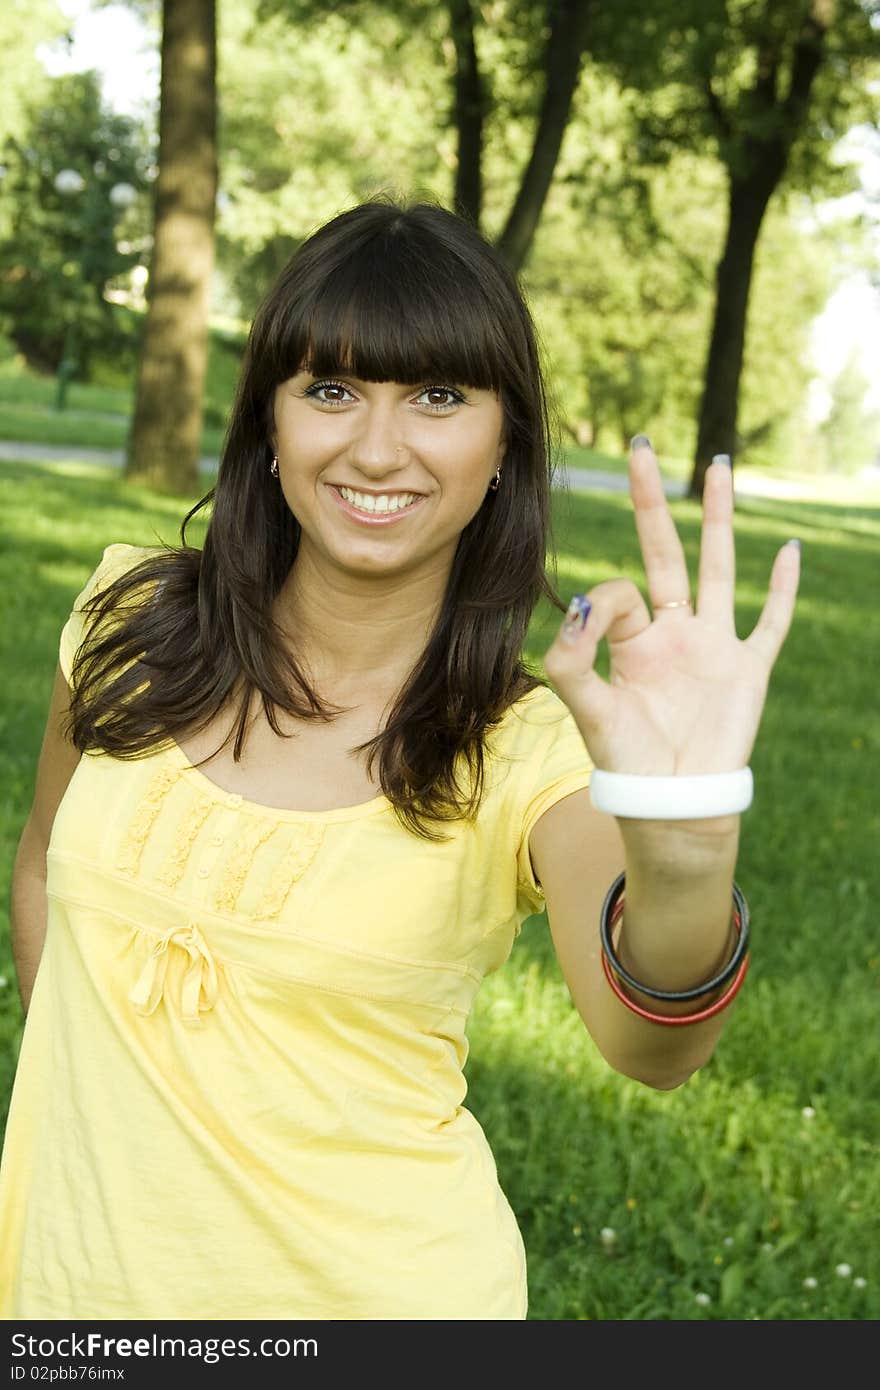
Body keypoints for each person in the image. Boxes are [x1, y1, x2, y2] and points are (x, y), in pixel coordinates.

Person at [0, 197, 799, 1321]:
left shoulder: (529, 753)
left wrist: (688, 843)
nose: (377, 447)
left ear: (503, 439)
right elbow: (41, 861)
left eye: (438, 395)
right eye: (331, 389)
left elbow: (649, 1045)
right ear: (268, 423)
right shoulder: (123, 617)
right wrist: (93, 1111)